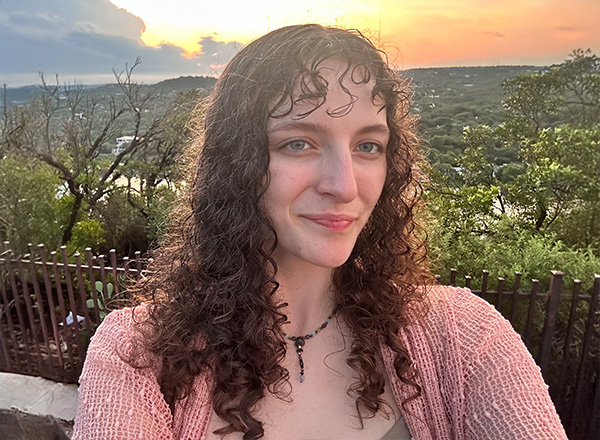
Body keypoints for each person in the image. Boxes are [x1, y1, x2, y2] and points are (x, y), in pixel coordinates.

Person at [72, 24, 567, 440]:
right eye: (299, 143)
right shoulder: (139, 356)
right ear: (234, 164)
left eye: (368, 146)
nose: (344, 186)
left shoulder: (462, 337)